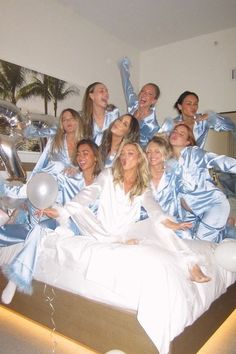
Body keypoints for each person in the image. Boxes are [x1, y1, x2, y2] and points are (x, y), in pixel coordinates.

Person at [1, 142, 212, 305]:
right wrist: (63, 211)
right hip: (100, 229)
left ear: (139, 159)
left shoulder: (143, 184)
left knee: (159, 224)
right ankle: (111, 238)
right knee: (77, 210)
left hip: (127, 230)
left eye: (130, 153)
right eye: (123, 153)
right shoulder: (109, 174)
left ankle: (190, 264)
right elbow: (88, 194)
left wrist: (168, 222)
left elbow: (153, 206)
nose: (124, 156)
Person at [0, 139, 102, 247]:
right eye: (78, 154)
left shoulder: (103, 181)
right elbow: (45, 191)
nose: (80, 157)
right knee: (37, 231)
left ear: (95, 157)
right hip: (66, 221)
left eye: (85, 153)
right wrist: (50, 209)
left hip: (90, 228)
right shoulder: (69, 177)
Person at [0, 108, 84, 225]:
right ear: (62, 124)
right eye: (64, 120)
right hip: (48, 182)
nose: (68, 122)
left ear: (78, 121)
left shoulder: (85, 143)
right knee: (18, 194)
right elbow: (33, 132)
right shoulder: (56, 137)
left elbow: (94, 163)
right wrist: (26, 121)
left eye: (71, 118)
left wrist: (78, 169)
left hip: (70, 189)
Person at [169, 123, 236, 242]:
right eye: (174, 131)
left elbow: (218, 160)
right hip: (193, 214)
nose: (176, 134)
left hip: (214, 205)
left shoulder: (193, 153)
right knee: (189, 242)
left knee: (200, 245)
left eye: (181, 134)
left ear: (187, 142)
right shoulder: (169, 163)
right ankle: (228, 230)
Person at [160, 90, 236, 148]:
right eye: (189, 104)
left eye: (195, 104)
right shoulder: (173, 124)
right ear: (180, 106)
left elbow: (230, 125)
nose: (193, 107)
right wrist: (169, 127)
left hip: (197, 163)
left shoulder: (202, 122)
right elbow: (158, 142)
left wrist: (211, 116)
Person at [118, 57, 160, 147]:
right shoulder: (133, 104)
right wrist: (124, 65)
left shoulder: (153, 126)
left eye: (149, 94)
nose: (144, 95)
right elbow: (127, 85)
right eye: (143, 91)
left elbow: (152, 148)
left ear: (154, 100)